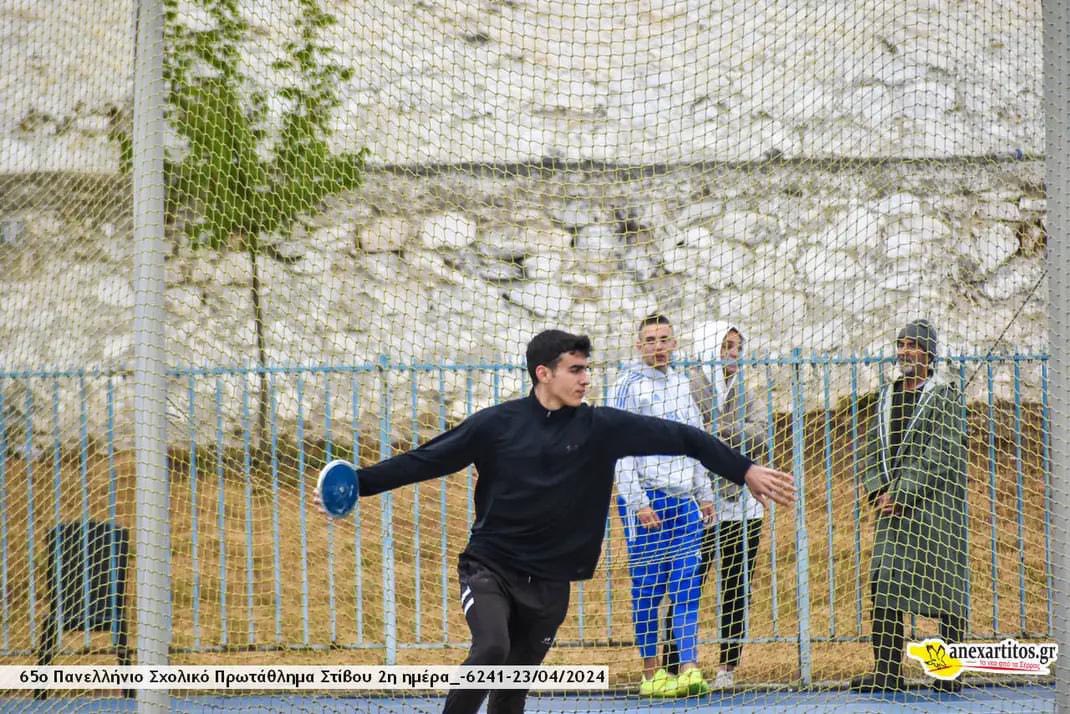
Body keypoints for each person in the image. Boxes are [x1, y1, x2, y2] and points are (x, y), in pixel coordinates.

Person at [316, 329, 797, 714]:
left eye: (587, 368)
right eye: (575, 369)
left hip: (550, 584)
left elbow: (687, 438)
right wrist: (356, 484)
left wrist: (745, 470)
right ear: (543, 373)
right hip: (490, 569)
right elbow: (424, 461)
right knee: (491, 650)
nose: (585, 378)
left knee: (512, 692)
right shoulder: (496, 425)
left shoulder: (602, 428)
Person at [850, 319, 968, 693]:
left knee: (946, 587)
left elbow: (941, 453)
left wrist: (903, 493)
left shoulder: (945, 396)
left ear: (929, 354)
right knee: (884, 580)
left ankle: (949, 672)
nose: (905, 351)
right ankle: (887, 672)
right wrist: (878, 492)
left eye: (913, 345)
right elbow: (872, 448)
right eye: (901, 344)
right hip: (892, 512)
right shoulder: (886, 396)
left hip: (935, 509)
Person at [613, 314, 716, 697]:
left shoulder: (682, 384)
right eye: (650, 340)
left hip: (683, 501)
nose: (658, 346)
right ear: (639, 345)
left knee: (687, 584)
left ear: (674, 343)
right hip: (648, 502)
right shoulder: (627, 385)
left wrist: (704, 492)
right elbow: (617, 447)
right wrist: (637, 501)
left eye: (664, 339)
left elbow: (695, 441)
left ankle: (689, 668)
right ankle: (650, 673)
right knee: (649, 589)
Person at [663, 322, 769, 689]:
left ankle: (728, 666)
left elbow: (762, 433)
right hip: (699, 502)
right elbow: (685, 434)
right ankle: (675, 664)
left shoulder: (746, 391)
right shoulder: (688, 386)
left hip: (742, 505)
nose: (732, 354)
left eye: (737, 347)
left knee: (736, 585)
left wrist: (721, 430)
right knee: (687, 581)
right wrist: (725, 434)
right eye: (725, 346)